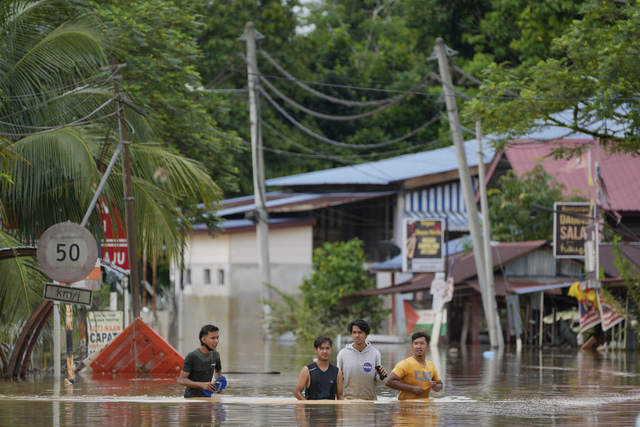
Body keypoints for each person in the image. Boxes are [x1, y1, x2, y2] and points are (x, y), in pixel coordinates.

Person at [337, 319, 387, 400]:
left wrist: (382, 376)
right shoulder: (342, 354)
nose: (357, 335)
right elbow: (338, 379)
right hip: (348, 401)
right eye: (354, 332)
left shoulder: (375, 353)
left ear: (366, 334)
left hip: (369, 400)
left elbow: (376, 379)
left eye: (360, 332)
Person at [385, 331, 443, 400]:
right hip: (406, 408)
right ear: (412, 346)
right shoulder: (405, 364)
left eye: (422, 343)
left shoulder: (431, 365)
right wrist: (412, 388)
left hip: (425, 408)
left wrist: (436, 387)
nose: (418, 346)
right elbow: (389, 382)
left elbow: (440, 384)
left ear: (428, 346)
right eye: (416, 343)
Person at [178, 324, 223, 398]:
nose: (217, 341)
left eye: (217, 338)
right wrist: (201, 384)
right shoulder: (192, 356)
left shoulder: (216, 354)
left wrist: (219, 383)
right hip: (192, 399)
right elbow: (181, 380)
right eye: (213, 338)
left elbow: (218, 371)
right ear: (203, 340)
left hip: (208, 398)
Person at [294, 336, 344, 400]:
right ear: (315, 350)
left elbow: (340, 396)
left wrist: (340, 409)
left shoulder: (337, 372)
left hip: (331, 409)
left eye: (327, 348)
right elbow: (297, 392)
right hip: (311, 409)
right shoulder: (307, 370)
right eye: (321, 348)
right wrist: (307, 405)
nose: (325, 351)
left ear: (331, 350)